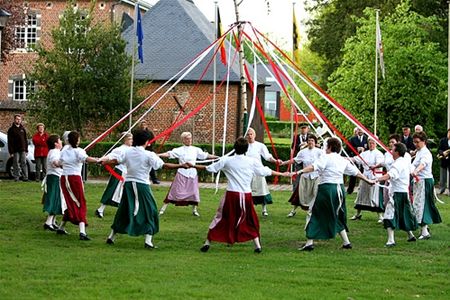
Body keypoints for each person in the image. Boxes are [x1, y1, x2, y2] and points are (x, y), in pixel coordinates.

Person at [195, 137, 291, 253]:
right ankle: (257, 245)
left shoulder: (227, 160)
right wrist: (283, 174)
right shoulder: (252, 161)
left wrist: (191, 165)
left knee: (222, 218)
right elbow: (266, 171)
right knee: (250, 219)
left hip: (231, 195)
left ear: (234, 148)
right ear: (246, 149)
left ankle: (208, 242)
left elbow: (210, 168)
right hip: (245, 195)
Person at [101, 129, 188, 249]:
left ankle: (111, 237)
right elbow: (164, 166)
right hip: (141, 185)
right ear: (147, 141)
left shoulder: (128, 151)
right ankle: (148, 242)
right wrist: (181, 165)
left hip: (128, 184)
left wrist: (104, 162)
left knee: (124, 210)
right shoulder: (148, 154)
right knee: (150, 211)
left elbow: (116, 161)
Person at [296, 137, 375, 251]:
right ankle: (346, 242)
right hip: (340, 189)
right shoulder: (342, 160)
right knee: (337, 213)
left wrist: (300, 171)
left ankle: (309, 243)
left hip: (327, 189)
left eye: (326, 146)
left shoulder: (326, 157)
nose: (324, 148)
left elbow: (314, 167)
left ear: (330, 147)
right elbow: (356, 172)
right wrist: (368, 180)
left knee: (315, 213)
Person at [158, 132, 218, 216]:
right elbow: (169, 154)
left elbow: (205, 155)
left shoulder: (195, 149)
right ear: (183, 140)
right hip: (182, 173)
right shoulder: (179, 149)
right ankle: (163, 209)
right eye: (187, 138)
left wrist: (217, 157)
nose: (189, 140)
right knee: (174, 191)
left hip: (192, 174)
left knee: (193, 192)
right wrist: (158, 155)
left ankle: (195, 210)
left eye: (190, 138)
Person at [56, 131, 99, 240]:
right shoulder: (79, 151)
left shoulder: (64, 150)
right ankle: (82, 232)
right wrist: (98, 160)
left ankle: (61, 227)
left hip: (64, 178)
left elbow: (60, 163)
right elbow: (86, 159)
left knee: (71, 202)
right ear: (77, 140)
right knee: (80, 202)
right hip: (74, 179)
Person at [375, 143, 418, 247]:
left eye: (393, 150)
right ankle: (410, 235)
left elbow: (390, 175)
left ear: (397, 152)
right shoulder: (405, 162)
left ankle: (391, 240)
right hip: (404, 193)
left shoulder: (398, 164)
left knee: (388, 216)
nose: (391, 152)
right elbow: (411, 170)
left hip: (397, 193)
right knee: (403, 214)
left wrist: (376, 179)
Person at [281, 134, 323, 218]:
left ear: (315, 142)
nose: (310, 142)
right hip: (305, 177)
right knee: (300, 195)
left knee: (316, 194)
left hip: (316, 177)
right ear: (307, 142)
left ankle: (314, 212)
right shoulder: (303, 152)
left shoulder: (320, 152)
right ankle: (293, 210)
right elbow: (295, 160)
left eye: (312, 141)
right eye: (309, 140)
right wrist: (284, 162)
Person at [411, 131, 442, 240]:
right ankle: (424, 229)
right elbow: (414, 163)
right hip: (419, 182)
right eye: (414, 142)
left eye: (417, 142)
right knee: (418, 204)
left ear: (423, 141)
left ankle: (425, 232)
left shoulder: (426, 153)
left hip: (425, 181)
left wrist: (416, 171)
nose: (415, 144)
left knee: (422, 205)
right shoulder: (419, 152)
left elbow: (423, 164)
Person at [95, 132, 133, 218]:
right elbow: (110, 156)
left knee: (126, 193)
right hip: (119, 172)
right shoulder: (120, 149)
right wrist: (100, 160)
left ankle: (126, 211)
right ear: (125, 140)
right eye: (130, 139)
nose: (132, 141)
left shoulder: (132, 149)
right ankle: (100, 209)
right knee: (111, 190)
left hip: (128, 174)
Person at [246, 127, 282, 216]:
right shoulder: (244, 146)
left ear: (254, 135)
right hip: (248, 171)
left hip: (259, 170)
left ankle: (264, 209)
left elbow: (267, 156)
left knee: (262, 190)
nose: (250, 136)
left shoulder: (260, 145)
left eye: (251, 134)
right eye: (248, 134)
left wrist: (275, 161)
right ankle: (250, 209)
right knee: (249, 191)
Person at [350, 138, 385, 223]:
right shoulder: (364, 153)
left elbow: (380, 163)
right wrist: (346, 159)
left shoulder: (379, 154)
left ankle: (380, 216)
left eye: (373, 143)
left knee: (375, 196)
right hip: (365, 176)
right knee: (361, 195)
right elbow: (356, 159)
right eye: (370, 143)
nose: (371, 145)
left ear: (376, 144)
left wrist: (374, 166)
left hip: (375, 177)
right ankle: (358, 214)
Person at [42, 135, 64, 231]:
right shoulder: (54, 152)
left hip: (57, 177)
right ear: (56, 143)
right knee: (54, 199)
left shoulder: (57, 152)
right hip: (54, 178)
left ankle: (53, 221)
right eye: (60, 140)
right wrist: (66, 163)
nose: (61, 142)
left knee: (58, 200)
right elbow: (55, 163)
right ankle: (48, 222)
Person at [7, 114, 28, 181]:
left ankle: (25, 177)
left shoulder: (23, 129)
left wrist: (26, 149)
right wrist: (11, 152)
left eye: (19, 119)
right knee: (15, 163)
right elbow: (9, 142)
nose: (18, 120)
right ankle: (16, 177)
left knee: (24, 163)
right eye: (17, 119)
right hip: (15, 150)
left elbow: (25, 140)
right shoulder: (11, 130)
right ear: (14, 120)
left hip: (23, 149)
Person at [346, 127, 367, 194]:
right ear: (357, 131)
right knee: (353, 174)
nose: (360, 131)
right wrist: (357, 148)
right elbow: (348, 148)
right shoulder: (352, 139)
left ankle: (362, 189)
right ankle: (350, 190)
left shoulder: (366, 139)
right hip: (355, 159)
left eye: (361, 130)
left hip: (364, 160)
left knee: (364, 174)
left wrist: (364, 150)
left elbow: (369, 148)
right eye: (359, 130)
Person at [291, 124, 310, 191]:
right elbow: (293, 146)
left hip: (308, 160)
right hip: (299, 159)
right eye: (302, 128)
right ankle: (295, 190)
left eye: (305, 128)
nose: (303, 130)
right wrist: (300, 145)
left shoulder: (310, 137)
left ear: (308, 129)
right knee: (297, 175)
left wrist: (306, 145)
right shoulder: (296, 137)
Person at [437, 129, 450, 194]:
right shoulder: (443, 140)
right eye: (449, 133)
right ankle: (442, 189)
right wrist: (443, 153)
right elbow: (439, 150)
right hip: (444, 160)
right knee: (442, 176)